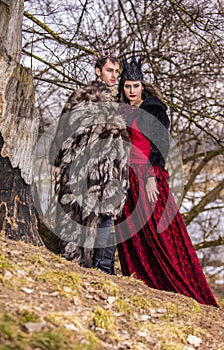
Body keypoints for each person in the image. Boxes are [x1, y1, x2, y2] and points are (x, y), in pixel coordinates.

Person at [115, 46, 219, 307]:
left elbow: (161, 145)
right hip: (126, 177)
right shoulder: (120, 111)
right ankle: (142, 281)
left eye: (135, 85)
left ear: (142, 85)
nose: (131, 90)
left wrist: (150, 176)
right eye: (127, 86)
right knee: (131, 232)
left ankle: (173, 282)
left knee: (159, 230)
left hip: (148, 174)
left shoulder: (153, 109)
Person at [49, 52, 130, 274]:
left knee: (106, 217)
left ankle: (103, 269)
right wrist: (62, 164)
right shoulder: (82, 97)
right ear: (98, 71)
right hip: (82, 169)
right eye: (109, 70)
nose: (114, 76)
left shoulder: (120, 102)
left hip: (110, 172)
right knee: (77, 215)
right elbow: (64, 132)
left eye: (116, 72)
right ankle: (75, 266)